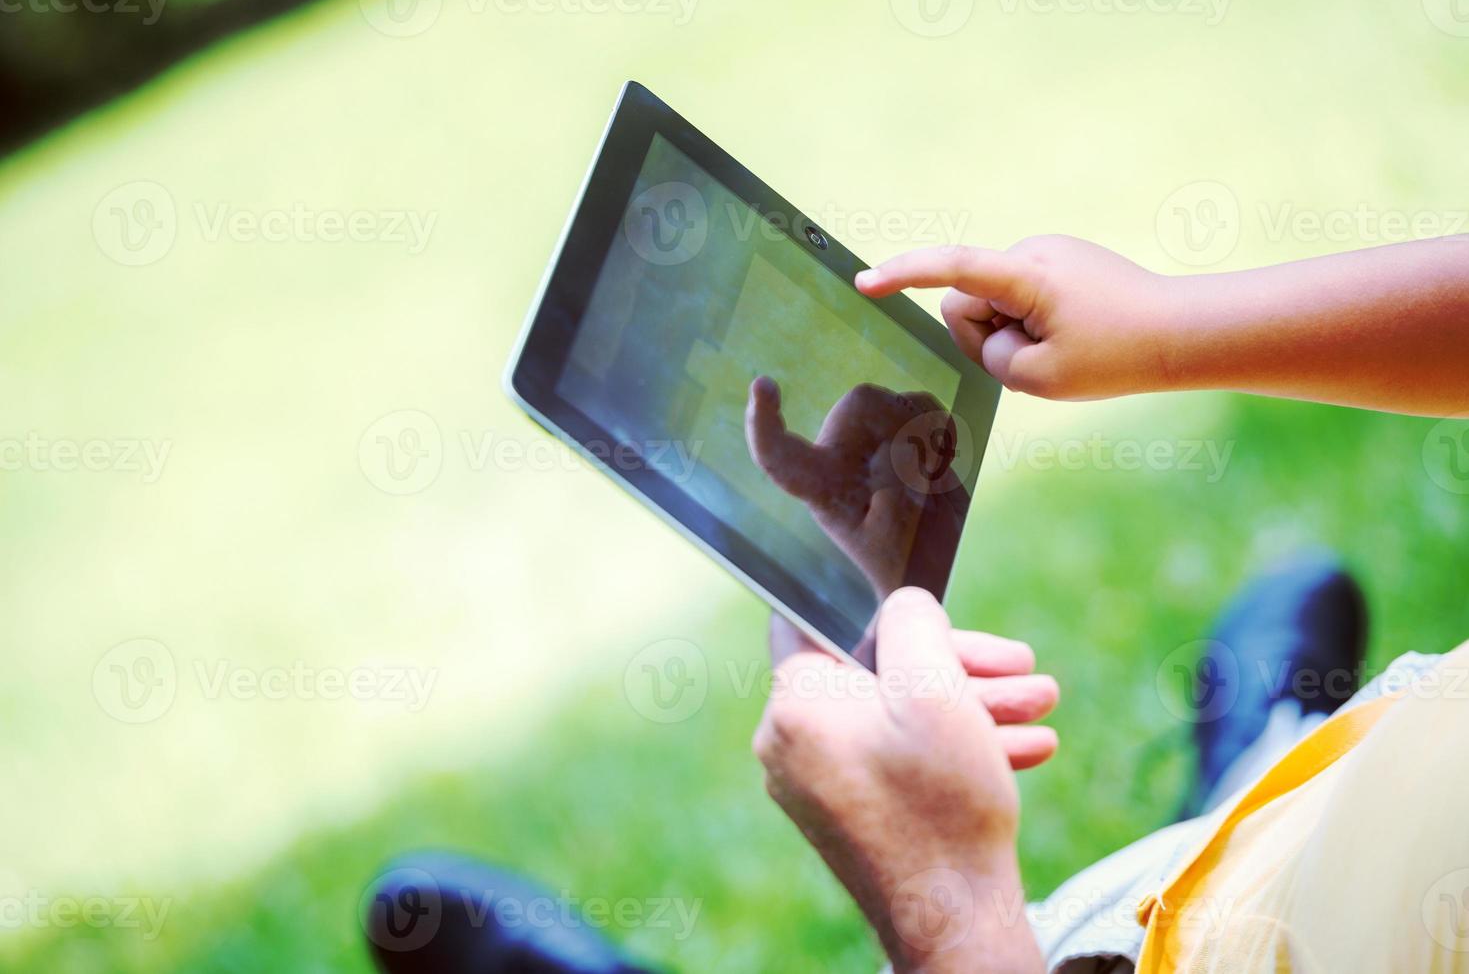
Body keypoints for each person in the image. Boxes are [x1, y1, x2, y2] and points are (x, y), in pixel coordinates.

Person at [363, 235, 1469, 972]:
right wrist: (1170, 323)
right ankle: (1266, 764)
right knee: (1307, 812)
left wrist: (945, 901)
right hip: (1343, 831)